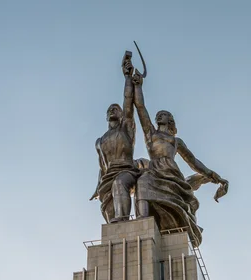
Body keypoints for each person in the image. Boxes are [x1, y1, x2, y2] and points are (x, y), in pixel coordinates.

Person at [131, 70, 228, 245]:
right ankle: (142, 221)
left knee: (154, 184)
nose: (159, 115)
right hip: (154, 171)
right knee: (142, 180)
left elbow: (194, 162)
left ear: (171, 121)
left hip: (171, 176)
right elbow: (140, 108)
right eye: (158, 114)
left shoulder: (176, 141)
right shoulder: (150, 134)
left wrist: (214, 176)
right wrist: (138, 86)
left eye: (164, 114)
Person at [90, 53, 140, 223]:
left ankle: (123, 218)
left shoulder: (125, 128)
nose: (113, 110)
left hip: (127, 172)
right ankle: (118, 232)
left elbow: (127, 100)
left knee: (119, 184)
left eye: (116, 109)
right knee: (109, 211)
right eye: (110, 109)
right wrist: (97, 187)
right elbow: (102, 166)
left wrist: (127, 77)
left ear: (121, 115)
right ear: (106, 116)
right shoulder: (100, 141)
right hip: (108, 177)